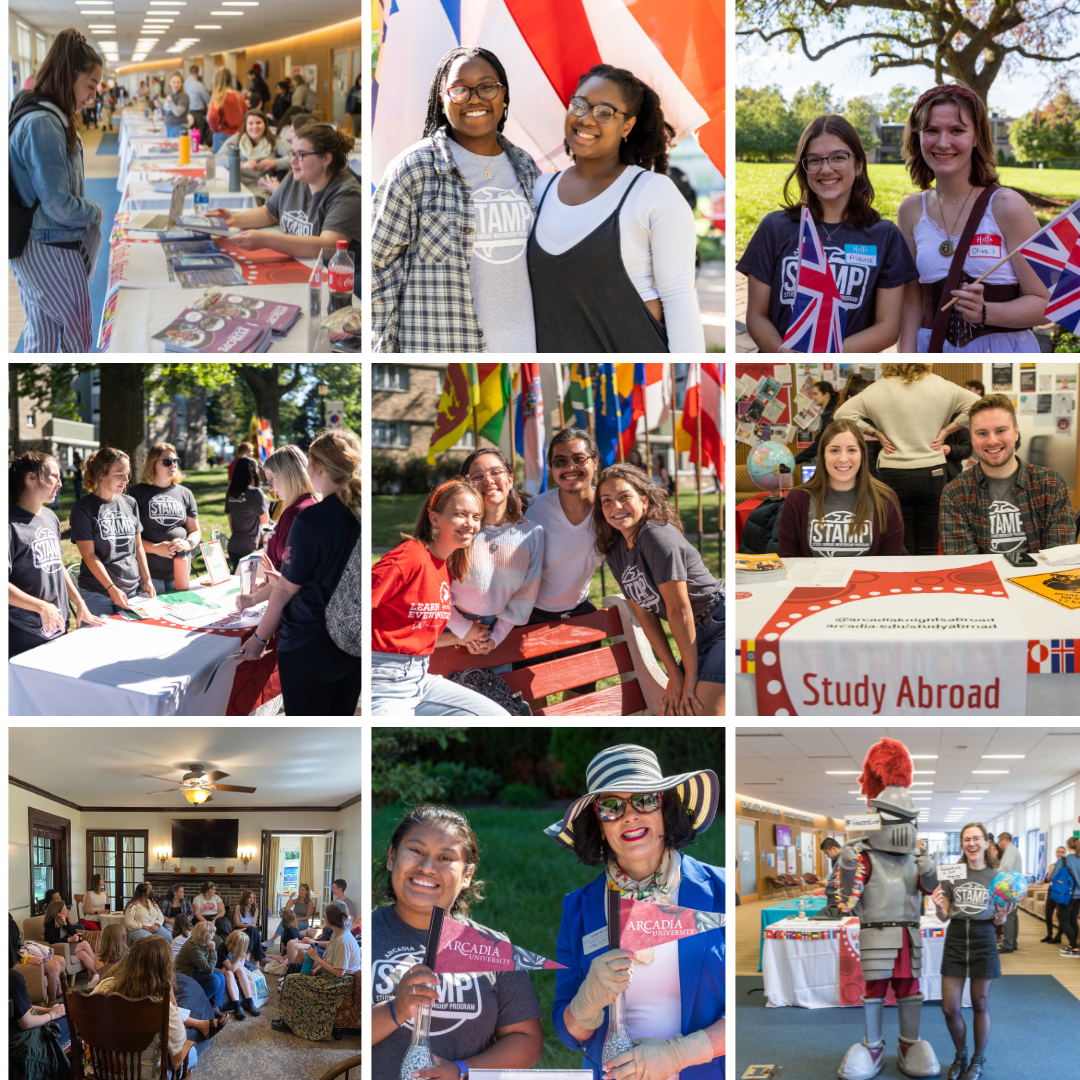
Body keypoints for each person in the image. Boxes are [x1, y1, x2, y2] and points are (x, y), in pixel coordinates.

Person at [550, 744, 725, 1080]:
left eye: (645, 800)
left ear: (665, 809)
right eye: (612, 807)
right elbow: (568, 1033)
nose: (630, 816)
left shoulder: (718, 889)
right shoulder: (578, 907)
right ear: (599, 825)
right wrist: (585, 1003)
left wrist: (681, 1054)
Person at [372, 46, 540, 352]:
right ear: (442, 97)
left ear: (503, 95)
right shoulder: (413, 169)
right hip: (444, 347)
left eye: (487, 87)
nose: (475, 98)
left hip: (524, 346)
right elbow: (377, 267)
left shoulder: (527, 167)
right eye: (460, 89)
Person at [529, 64, 704, 353]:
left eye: (605, 112)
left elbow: (679, 298)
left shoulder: (653, 193)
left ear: (627, 125)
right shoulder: (539, 190)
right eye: (579, 105)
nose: (586, 118)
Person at [371, 804, 542, 1077]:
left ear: (467, 875)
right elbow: (344, 1033)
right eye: (416, 851)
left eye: (445, 858)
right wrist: (395, 1008)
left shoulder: (495, 948)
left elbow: (528, 1041)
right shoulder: (364, 934)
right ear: (392, 857)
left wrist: (462, 1070)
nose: (427, 867)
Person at [739, 114, 917, 353]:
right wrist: (783, 352)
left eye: (838, 158)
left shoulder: (884, 236)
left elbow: (887, 328)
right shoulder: (774, 227)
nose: (826, 169)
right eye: (814, 160)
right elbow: (756, 317)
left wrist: (827, 354)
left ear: (859, 165)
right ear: (804, 167)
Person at [897, 84, 1049, 353]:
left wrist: (987, 312)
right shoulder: (910, 210)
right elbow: (912, 302)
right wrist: (904, 362)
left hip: (1000, 352)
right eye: (932, 130)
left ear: (977, 136)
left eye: (957, 130)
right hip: (930, 350)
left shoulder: (1007, 206)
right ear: (918, 136)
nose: (943, 143)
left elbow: (1046, 304)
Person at [236, 430, 362, 715]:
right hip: (353, 645)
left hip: (311, 645)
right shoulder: (360, 512)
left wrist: (258, 639)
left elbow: (284, 591)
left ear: (318, 469)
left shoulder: (311, 518)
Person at [595, 463, 725, 716]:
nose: (616, 507)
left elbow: (679, 610)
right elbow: (644, 614)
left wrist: (690, 677)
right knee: (677, 710)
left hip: (721, 623)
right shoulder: (615, 551)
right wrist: (674, 674)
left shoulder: (656, 536)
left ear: (644, 501)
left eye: (625, 497)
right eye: (607, 501)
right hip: (693, 633)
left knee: (700, 712)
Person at [371, 480, 506, 715]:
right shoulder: (410, 556)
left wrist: (458, 638)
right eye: (460, 514)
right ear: (434, 519)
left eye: (476, 517)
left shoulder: (442, 566)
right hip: (383, 680)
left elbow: (418, 634)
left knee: (496, 717)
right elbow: (355, 612)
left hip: (421, 680)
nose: (470, 524)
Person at [9, 29, 105, 353]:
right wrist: (95, 211)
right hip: (48, 244)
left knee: (45, 335)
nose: (93, 96)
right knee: (78, 336)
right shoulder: (43, 123)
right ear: (69, 76)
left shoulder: (44, 113)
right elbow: (59, 204)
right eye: (90, 86)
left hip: (36, 242)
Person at [835, 363, 979, 556]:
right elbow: (979, 405)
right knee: (929, 545)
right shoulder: (942, 385)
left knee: (901, 545)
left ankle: (905, 584)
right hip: (933, 472)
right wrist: (946, 431)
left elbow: (841, 414)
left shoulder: (877, 389)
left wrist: (877, 433)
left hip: (893, 472)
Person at [520, 429, 607, 694]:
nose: (570, 467)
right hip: (530, 617)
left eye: (579, 459)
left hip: (580, 611)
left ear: (594, 461)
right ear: (551, 468)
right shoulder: (532, 510)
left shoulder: (610, 511)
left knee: (580, 698)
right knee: (533, 700)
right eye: (560, 462)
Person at [438, 447, 543, 661]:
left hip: (496, 633)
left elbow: (525, 594)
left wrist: (494, 638)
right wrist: (463, 629)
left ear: (510, 479)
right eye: (477, 476)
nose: (488, 481)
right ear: (466, 485)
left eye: (496, 472)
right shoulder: (456, 528)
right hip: (447, 628)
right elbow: (434, 586)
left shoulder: (533, 533)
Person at [207, 118, 360, 263]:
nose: (292, 161)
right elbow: (269, 212)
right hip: (301, 265)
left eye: (301, 155)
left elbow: (327, 247)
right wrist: (234, 219)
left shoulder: (347, 193)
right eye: (293, 153)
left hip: (339, 277)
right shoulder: (295, 179)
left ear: (326, 159)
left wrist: (266, 240)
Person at [939, 393, 1075, 554]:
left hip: (1039, 578)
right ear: (972, 438)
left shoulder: (1051, 484)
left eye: (1001, 431)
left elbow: (1058, 556)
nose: (992, 441)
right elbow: (964, 565)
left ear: (1016, 432)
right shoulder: (955, 493)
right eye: (982, 433)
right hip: (985, 578)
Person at [932, 822, 1016, 1080]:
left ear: (987, 843)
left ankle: (978, 1060)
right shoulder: (951, 873)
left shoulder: (998, 877)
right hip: (956, 938)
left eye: (977, 838)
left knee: (980, 1003)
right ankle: (960, 1054)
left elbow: (999, 921)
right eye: (967, 839)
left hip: (984, 938)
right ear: (962, 844)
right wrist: (937, 907)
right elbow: (944, 916)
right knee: (950, 1007)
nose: (972, 843)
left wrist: (1002, 917)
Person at [9, 452, 107, 658]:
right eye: (54, 476)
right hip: (24, 631)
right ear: (32, 478)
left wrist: (79, 603)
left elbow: (57, 565)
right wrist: (41, 606)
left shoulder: (50, 517)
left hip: (58, 624)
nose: (60, 483)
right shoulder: (9, 524)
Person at [778, 420, 904, 558]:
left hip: (868, 579)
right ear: (823, 454)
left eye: (851, 450)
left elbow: (891, 564)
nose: (843, 459)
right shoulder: (798, 499)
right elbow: (790, 562)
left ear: (862, 454)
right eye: (834, 450)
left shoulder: (885, 498)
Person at [91, 936, 198, 1073]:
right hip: (140, 1074)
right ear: (165, 969)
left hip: (101, 1067)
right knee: (191, 1053)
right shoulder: (163, 1007)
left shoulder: (104, 986)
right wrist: (172, 1000)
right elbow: (179, 1043)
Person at [72, 447, 156, 618]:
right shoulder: (83, 508)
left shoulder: (130, 503)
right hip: (97, 593)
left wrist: (146, 580)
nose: (125, 480)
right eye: (119, 474)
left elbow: (138, 546)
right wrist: (111, 589)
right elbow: (89, 555)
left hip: (132, 591)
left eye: (127, 474)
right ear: (102, 474)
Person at [234, 444, 318, 615]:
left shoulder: (297, 511)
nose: (271, 489)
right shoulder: (305, 505)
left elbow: (289, 578)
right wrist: (266, 585)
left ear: (288, 475)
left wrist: (252, 600)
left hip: (291, 612)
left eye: (271, 481)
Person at [272, 902, 358, 1040]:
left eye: (326, 915)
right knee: (293, 979)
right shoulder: (337, 934)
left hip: (338, 982)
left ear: (331, 918)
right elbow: (330, 960)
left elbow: (339, 972)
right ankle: (289, 1020)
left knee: (293, 982)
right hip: (330, 976)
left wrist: (316, 958)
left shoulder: (343, 940)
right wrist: (316, 971)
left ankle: (289, 1023)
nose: (324, 918)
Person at [130, 442, 201, 593]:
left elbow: (195, 530)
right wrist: (155, 548)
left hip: (180, 570)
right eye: (167, 462)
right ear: (152, 464)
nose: (173, 466)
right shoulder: (136, 493)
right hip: (149, 574)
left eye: (175, 461)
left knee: (180, 612)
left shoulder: (185, 493)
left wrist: (188, 543)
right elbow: (128, 538)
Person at [9, 916, 69, 1080]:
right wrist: (53, 1015)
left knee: (64, 1009)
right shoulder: (12, 978)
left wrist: (51, 1009)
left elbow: (23, 1008)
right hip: (18, 1044)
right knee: (73, 1020)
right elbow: (26, 1022)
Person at [225, 457, 270, 573]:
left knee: (238, 583)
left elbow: (231, 525)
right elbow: (265, 521)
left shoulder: (230, 493)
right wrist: (265, 505)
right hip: (249, 548)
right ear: (253, 473)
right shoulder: (255, 493)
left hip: (233, 546)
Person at [215, 109, 291, 176]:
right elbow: (218, 158)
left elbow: (297, 156)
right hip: (237, 185)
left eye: (258, 123)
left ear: (265, 125)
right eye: (250, 123)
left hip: (261, 188)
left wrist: (274, 163)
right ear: (245, 126)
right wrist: (242, 165)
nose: (255, 126)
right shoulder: (237, 139)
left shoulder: (274, 141)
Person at [176, 919, 227, 1012]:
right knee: (214, 979)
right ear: (205, 936)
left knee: (221, 976)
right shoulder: (193, 947)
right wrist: (212, 950)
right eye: (211, 935)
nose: (213, 937)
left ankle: (215, 1007)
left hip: (196, 970)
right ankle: (199, 1004)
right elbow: (209, 969)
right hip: (185, 973)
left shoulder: (200, 942)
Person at [43, 900, 100, 982]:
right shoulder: (50, 923)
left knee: (82, 954)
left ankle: (97, 973)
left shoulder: (64, 919)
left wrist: (65, 924)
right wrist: (69, 939)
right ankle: (99, 967)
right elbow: (51, 940)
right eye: (64, 909)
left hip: (66, 946)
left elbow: (73, 932)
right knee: (84, 944)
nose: (67, 910)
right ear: (58, 913)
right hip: (58, 948)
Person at [218, 929, 261, 1020]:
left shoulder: (239, 948)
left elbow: (241, 964)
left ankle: (250, 1002)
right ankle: (236, 1005)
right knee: (229, 973)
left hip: (232, 966)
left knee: (240, 971)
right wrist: (239, 956)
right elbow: (231, 968)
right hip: (221, 969)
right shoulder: (222, 948)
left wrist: (238, 960)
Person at [795, 381, 841, 466]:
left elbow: (819, 444)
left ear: (826, 395)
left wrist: (795, 461)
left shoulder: (830, 415)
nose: (813, 397)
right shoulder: (826, 413)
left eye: (816, 394)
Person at [1050, 836, 1080, 958]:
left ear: (1067, 845)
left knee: (1064, 921)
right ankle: (1071, 947)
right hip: (1078, 896)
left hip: (1066, 895)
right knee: (1073, 920)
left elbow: (1053, 877)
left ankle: (1075, 948)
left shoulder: (1063, 860)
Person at [994, 832, 1022, 954]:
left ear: (1003, 840)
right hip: (1015, 887)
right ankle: (1013, 943)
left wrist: (992, 871)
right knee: (1013, 916)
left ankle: (1007, 945)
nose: (999, 845)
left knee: (1008, 916)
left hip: (1010, 887)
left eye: (999, 842)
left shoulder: (1010, 851)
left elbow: (1006, 868)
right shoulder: (1014, 850)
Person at [208, 66, 245, 153]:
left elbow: (212, 115)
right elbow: (246, 116)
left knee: (220, 164)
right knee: (235, 163)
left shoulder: (219, 95)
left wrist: (215, 129)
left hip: (223, 135)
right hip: (238, 136)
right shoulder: (240, 96)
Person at [809, 837, 845, 920]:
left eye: (827, 853)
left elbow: (841, 881)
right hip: (835, 896)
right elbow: (836, 875)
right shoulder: (838, 859)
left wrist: (826, 883)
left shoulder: (842, 859)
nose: (827, 856)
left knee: (834, 922)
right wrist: (827, 880)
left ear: (833, 849)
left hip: (836, 898)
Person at [1041, 845, 1069, 944]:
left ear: (1065, 854)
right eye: (1058, 852)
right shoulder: (1052, 866)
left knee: (1060, 914)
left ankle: (1058, 936)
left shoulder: (1068, 866)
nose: (1060, 854)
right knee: (1048, 913)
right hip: (1052, 891)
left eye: (1062, 852)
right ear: (1055, 853)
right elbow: (1045, 880)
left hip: (1061, 893)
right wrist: (1049, 874)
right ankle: (1049, 934)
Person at [232, 891, 265, 964]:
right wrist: (248, 926)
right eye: (250, 897)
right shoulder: (238, 907)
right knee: (255, 933)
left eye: (253, 898)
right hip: (240, 929)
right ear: (245, 897)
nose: (252, 899)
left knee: (253, 930)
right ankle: (257, 960)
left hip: (250, 930)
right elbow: (237, 923)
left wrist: (249, 926)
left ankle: (248, 954)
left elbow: (253, 924)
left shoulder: (255, 909)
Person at [160, 70, 189, 137]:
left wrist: (170, 101)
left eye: (178, 82)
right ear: (170, 82)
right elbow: (165, 111)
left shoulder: (183, 96)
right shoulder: (170, 95)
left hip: (179, 128)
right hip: (169, 127)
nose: (176, 84)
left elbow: (178, 112)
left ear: (181, 83)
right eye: (174, 82)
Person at [184, 64, 209, 130]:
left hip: (186, 112)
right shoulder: (199, 85)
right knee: (198, 133)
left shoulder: (184, 84)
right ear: (198, 73)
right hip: (197, 113)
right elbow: (207, 99)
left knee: (189, 132)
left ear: (189, 73)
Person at [345, 72, 361, 137]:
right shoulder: (354, 89)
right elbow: (348, 99)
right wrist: (347, 110)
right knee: (356, 131)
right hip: (355, 113)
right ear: (358, 80)